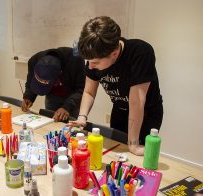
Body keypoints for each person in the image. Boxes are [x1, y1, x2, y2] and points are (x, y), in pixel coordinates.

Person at [70, 16, 163, 156]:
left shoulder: (140, 52)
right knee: (118, 154)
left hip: (146, 113)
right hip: (119, 110)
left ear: (114, 53)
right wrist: (82, 116)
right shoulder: (95, 55)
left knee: (137, 156)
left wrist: (133, 144)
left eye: (95, 62)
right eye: (88, 61)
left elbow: (136, 102)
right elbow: (89, 92)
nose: (90, 66)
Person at [22, 47, 86, 122]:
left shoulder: (76, 60)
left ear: (59, 74)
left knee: (70, 125)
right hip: (52, 97)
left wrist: (67, 107)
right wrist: (28, 97)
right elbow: (31, 81)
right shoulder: (34, 61)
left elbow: (81, 89)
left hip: (72, 96)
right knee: (50, 123)